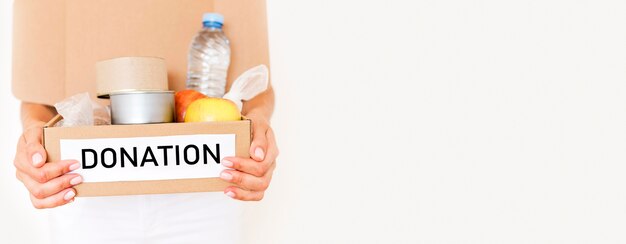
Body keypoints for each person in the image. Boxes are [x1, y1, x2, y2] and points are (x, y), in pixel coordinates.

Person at [11, 0, 278, 243]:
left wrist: (257, 126)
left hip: (203, 185)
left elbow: (257, 87)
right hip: (87, 189)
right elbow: (38, 94)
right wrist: (35, 136)